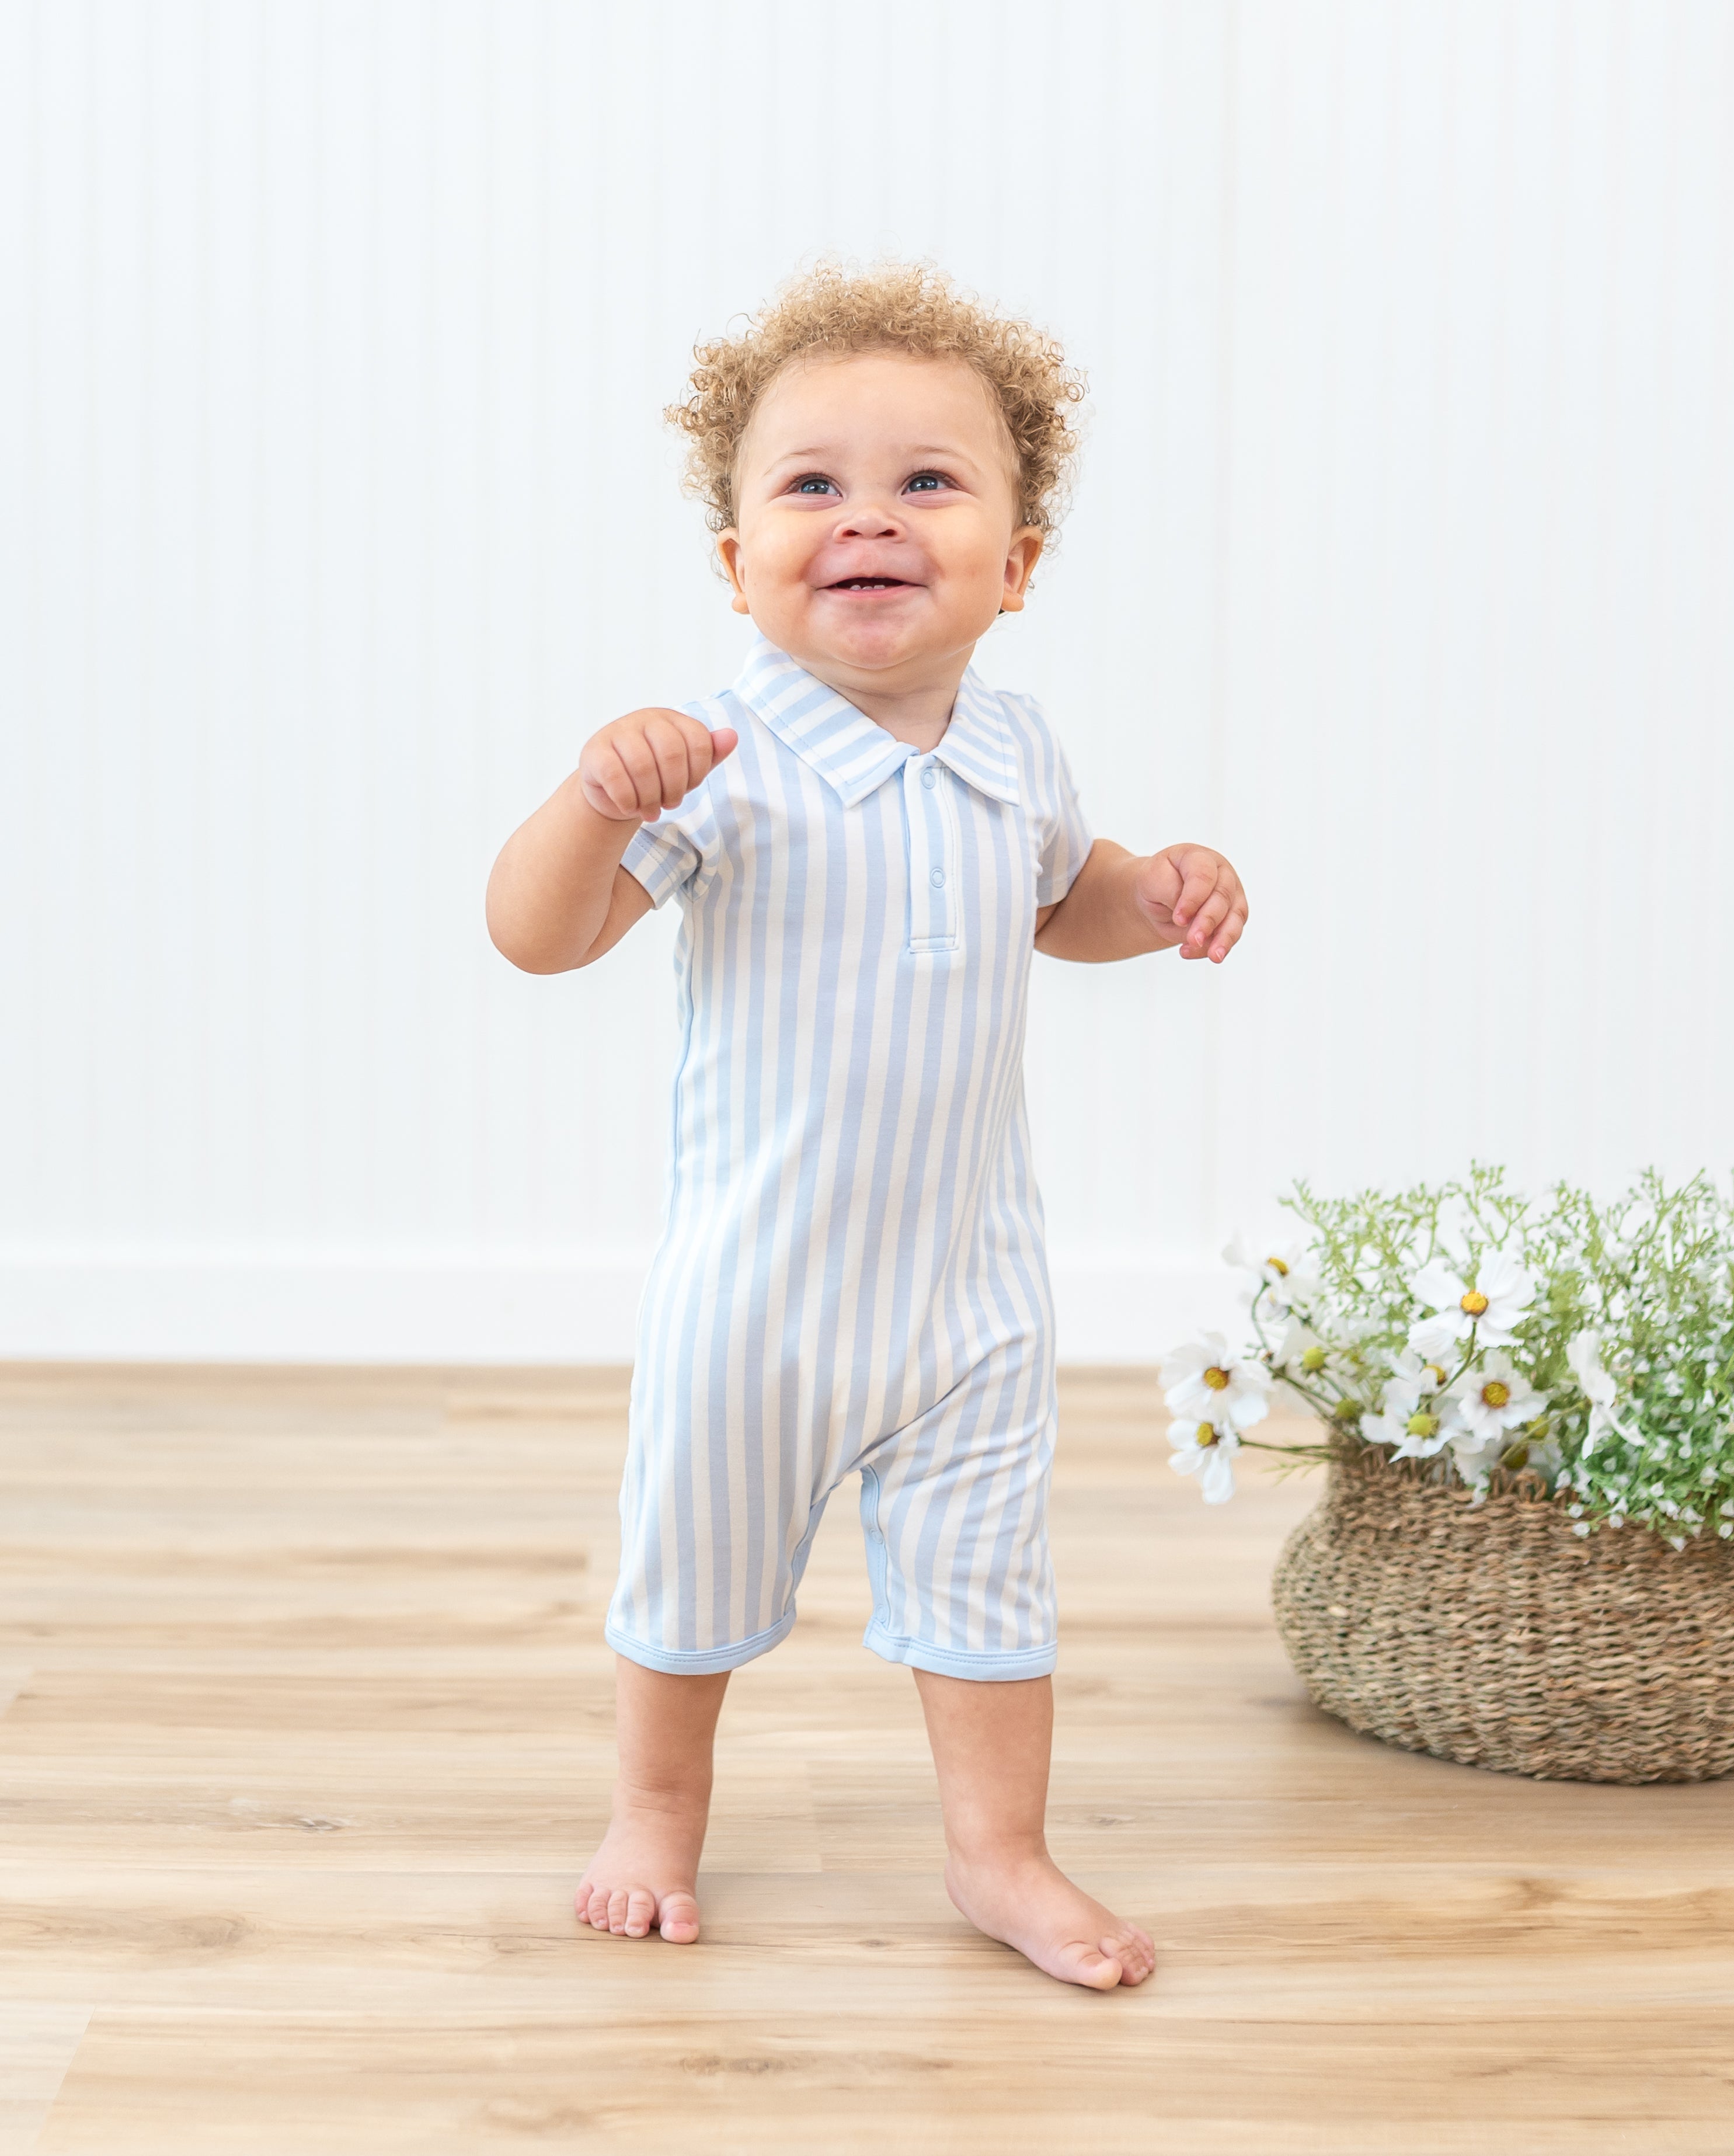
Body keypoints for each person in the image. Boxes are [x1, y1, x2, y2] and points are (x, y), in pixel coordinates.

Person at [486, 263, 1246, 1990]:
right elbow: (542, 936)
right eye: (811, 485)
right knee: (690, 1574)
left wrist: (1163, 890)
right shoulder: (718, 762)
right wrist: (586, 802)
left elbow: (1068, 898)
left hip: (969, 1294)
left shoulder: (1019, 749)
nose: (868, 520)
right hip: (757, 1296)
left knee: (990, 1591)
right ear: (738, 558)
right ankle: (656, 1818)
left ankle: (1001, 1854)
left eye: (928, 481)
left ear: (1019, 563)